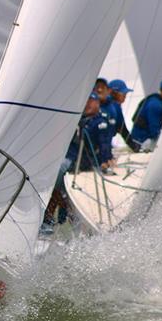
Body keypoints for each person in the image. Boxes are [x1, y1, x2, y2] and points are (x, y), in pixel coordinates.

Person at [43, 92, 112, 230]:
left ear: (97, 103)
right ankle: (51, 217)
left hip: (84, 162)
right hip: (72, 158)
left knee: (59, 178)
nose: (88, 104)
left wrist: (106, 160)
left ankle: (64, 216)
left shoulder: (100, 123)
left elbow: (104, 144)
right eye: (86, 101)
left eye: (91, 101)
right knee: (55, 179)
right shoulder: (79, 120)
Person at [130, 77, 162, 151]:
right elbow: (155, 132)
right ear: (161, 92)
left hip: (148, 139)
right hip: (140, 143)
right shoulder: (155, 105)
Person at [105, 79, 138, 152]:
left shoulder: (105, 104)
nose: (125, 96)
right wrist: (136, 148)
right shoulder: (115, 107)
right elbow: (123, 130)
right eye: (123, 93)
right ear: (114, 93)